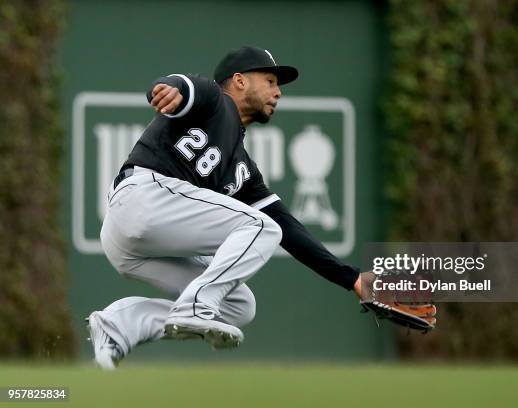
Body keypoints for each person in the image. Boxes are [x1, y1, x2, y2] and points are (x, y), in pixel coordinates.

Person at [87, 46, 436, 370]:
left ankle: (118, 325)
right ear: (239, 81)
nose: (278, 91)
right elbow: (179, 85)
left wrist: (353, 279)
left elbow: (292, 231)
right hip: (143, 196)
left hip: (131, 241)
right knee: (261, 228)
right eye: (269, 81)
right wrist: (163, 89)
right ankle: (196, 307)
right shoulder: (214, 99)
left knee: (239, 305)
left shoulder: (242, 170)